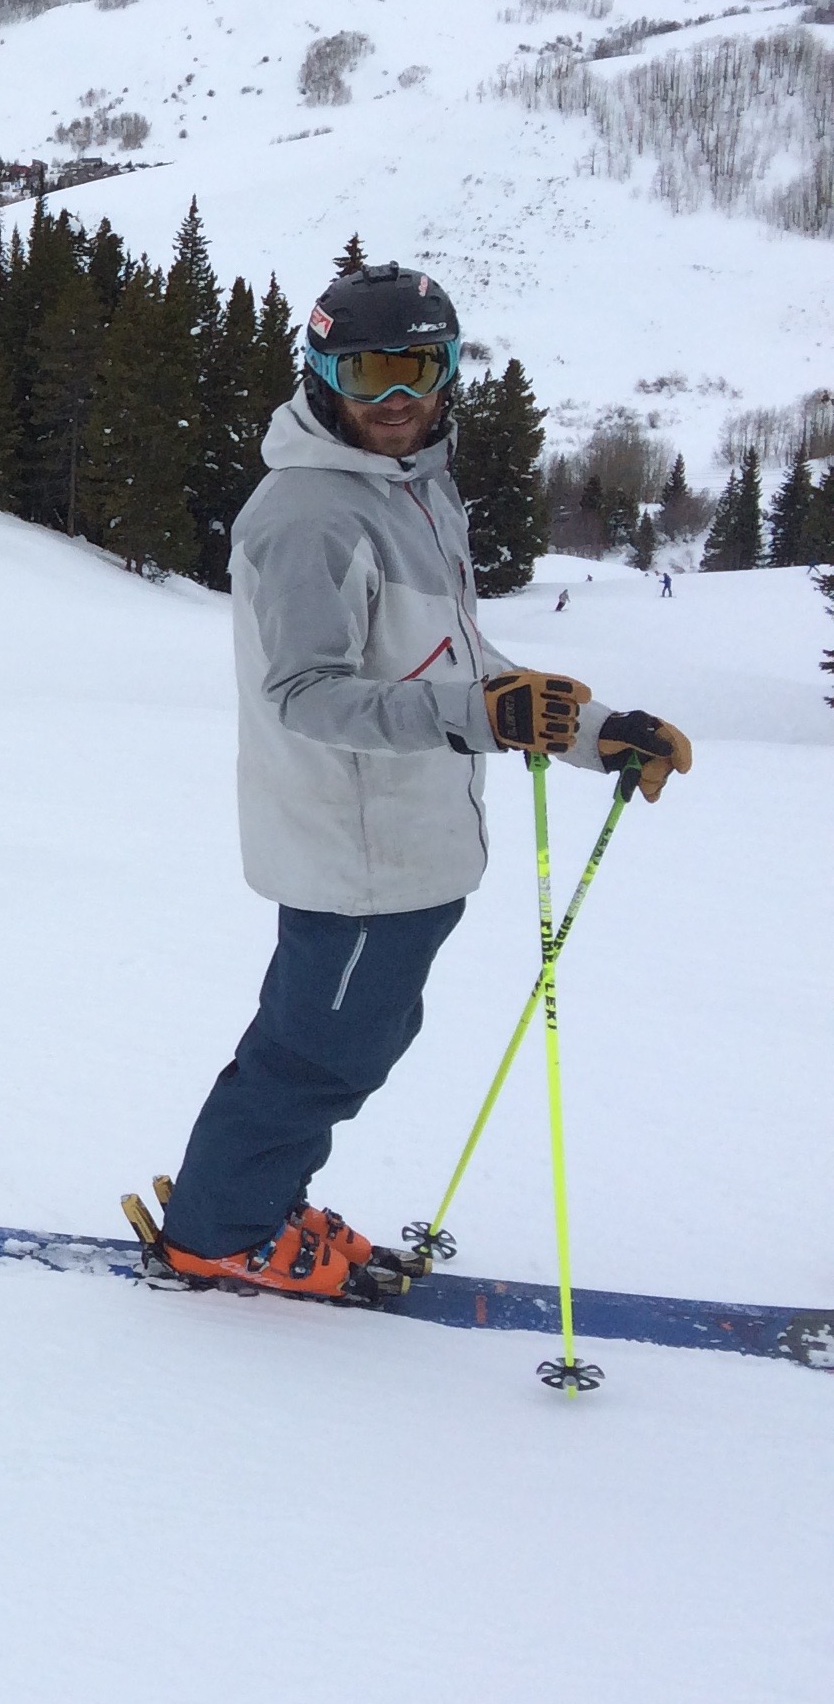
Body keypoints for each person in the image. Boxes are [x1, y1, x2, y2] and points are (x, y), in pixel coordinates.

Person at [151, 259, 693, 1296]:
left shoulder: (416, 490)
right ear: (322, 376)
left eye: (416, 371)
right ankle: (218, 1230)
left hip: (413, 840)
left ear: (448, 372)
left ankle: (256, 1201)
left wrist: (589, 730)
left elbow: (454, 660)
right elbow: (305, 696)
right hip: (350, 849)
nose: (395, 401)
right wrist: (479, 718)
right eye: (366, 376)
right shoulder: (307, 515)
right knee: (315, 1056)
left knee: (353, 1042)